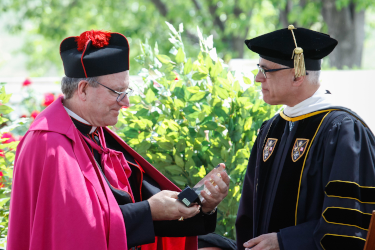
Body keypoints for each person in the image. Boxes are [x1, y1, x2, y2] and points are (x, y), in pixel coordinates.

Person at [7, 30, 230, 250]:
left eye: (127, 90)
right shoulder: (49, 144)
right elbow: (74, 232)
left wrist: (201, 203)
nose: (126, 102)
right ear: (83, 89)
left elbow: (143, 204)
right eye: (117, 91)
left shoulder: (98, 134)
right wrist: (148, 211)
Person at [235, 25, 375, 250]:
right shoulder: (271, 129)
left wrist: (285, 241)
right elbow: (249, 215)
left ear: (298, 75)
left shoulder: (343, 131)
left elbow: (350, 222)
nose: (257, 78)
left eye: (266, 70)